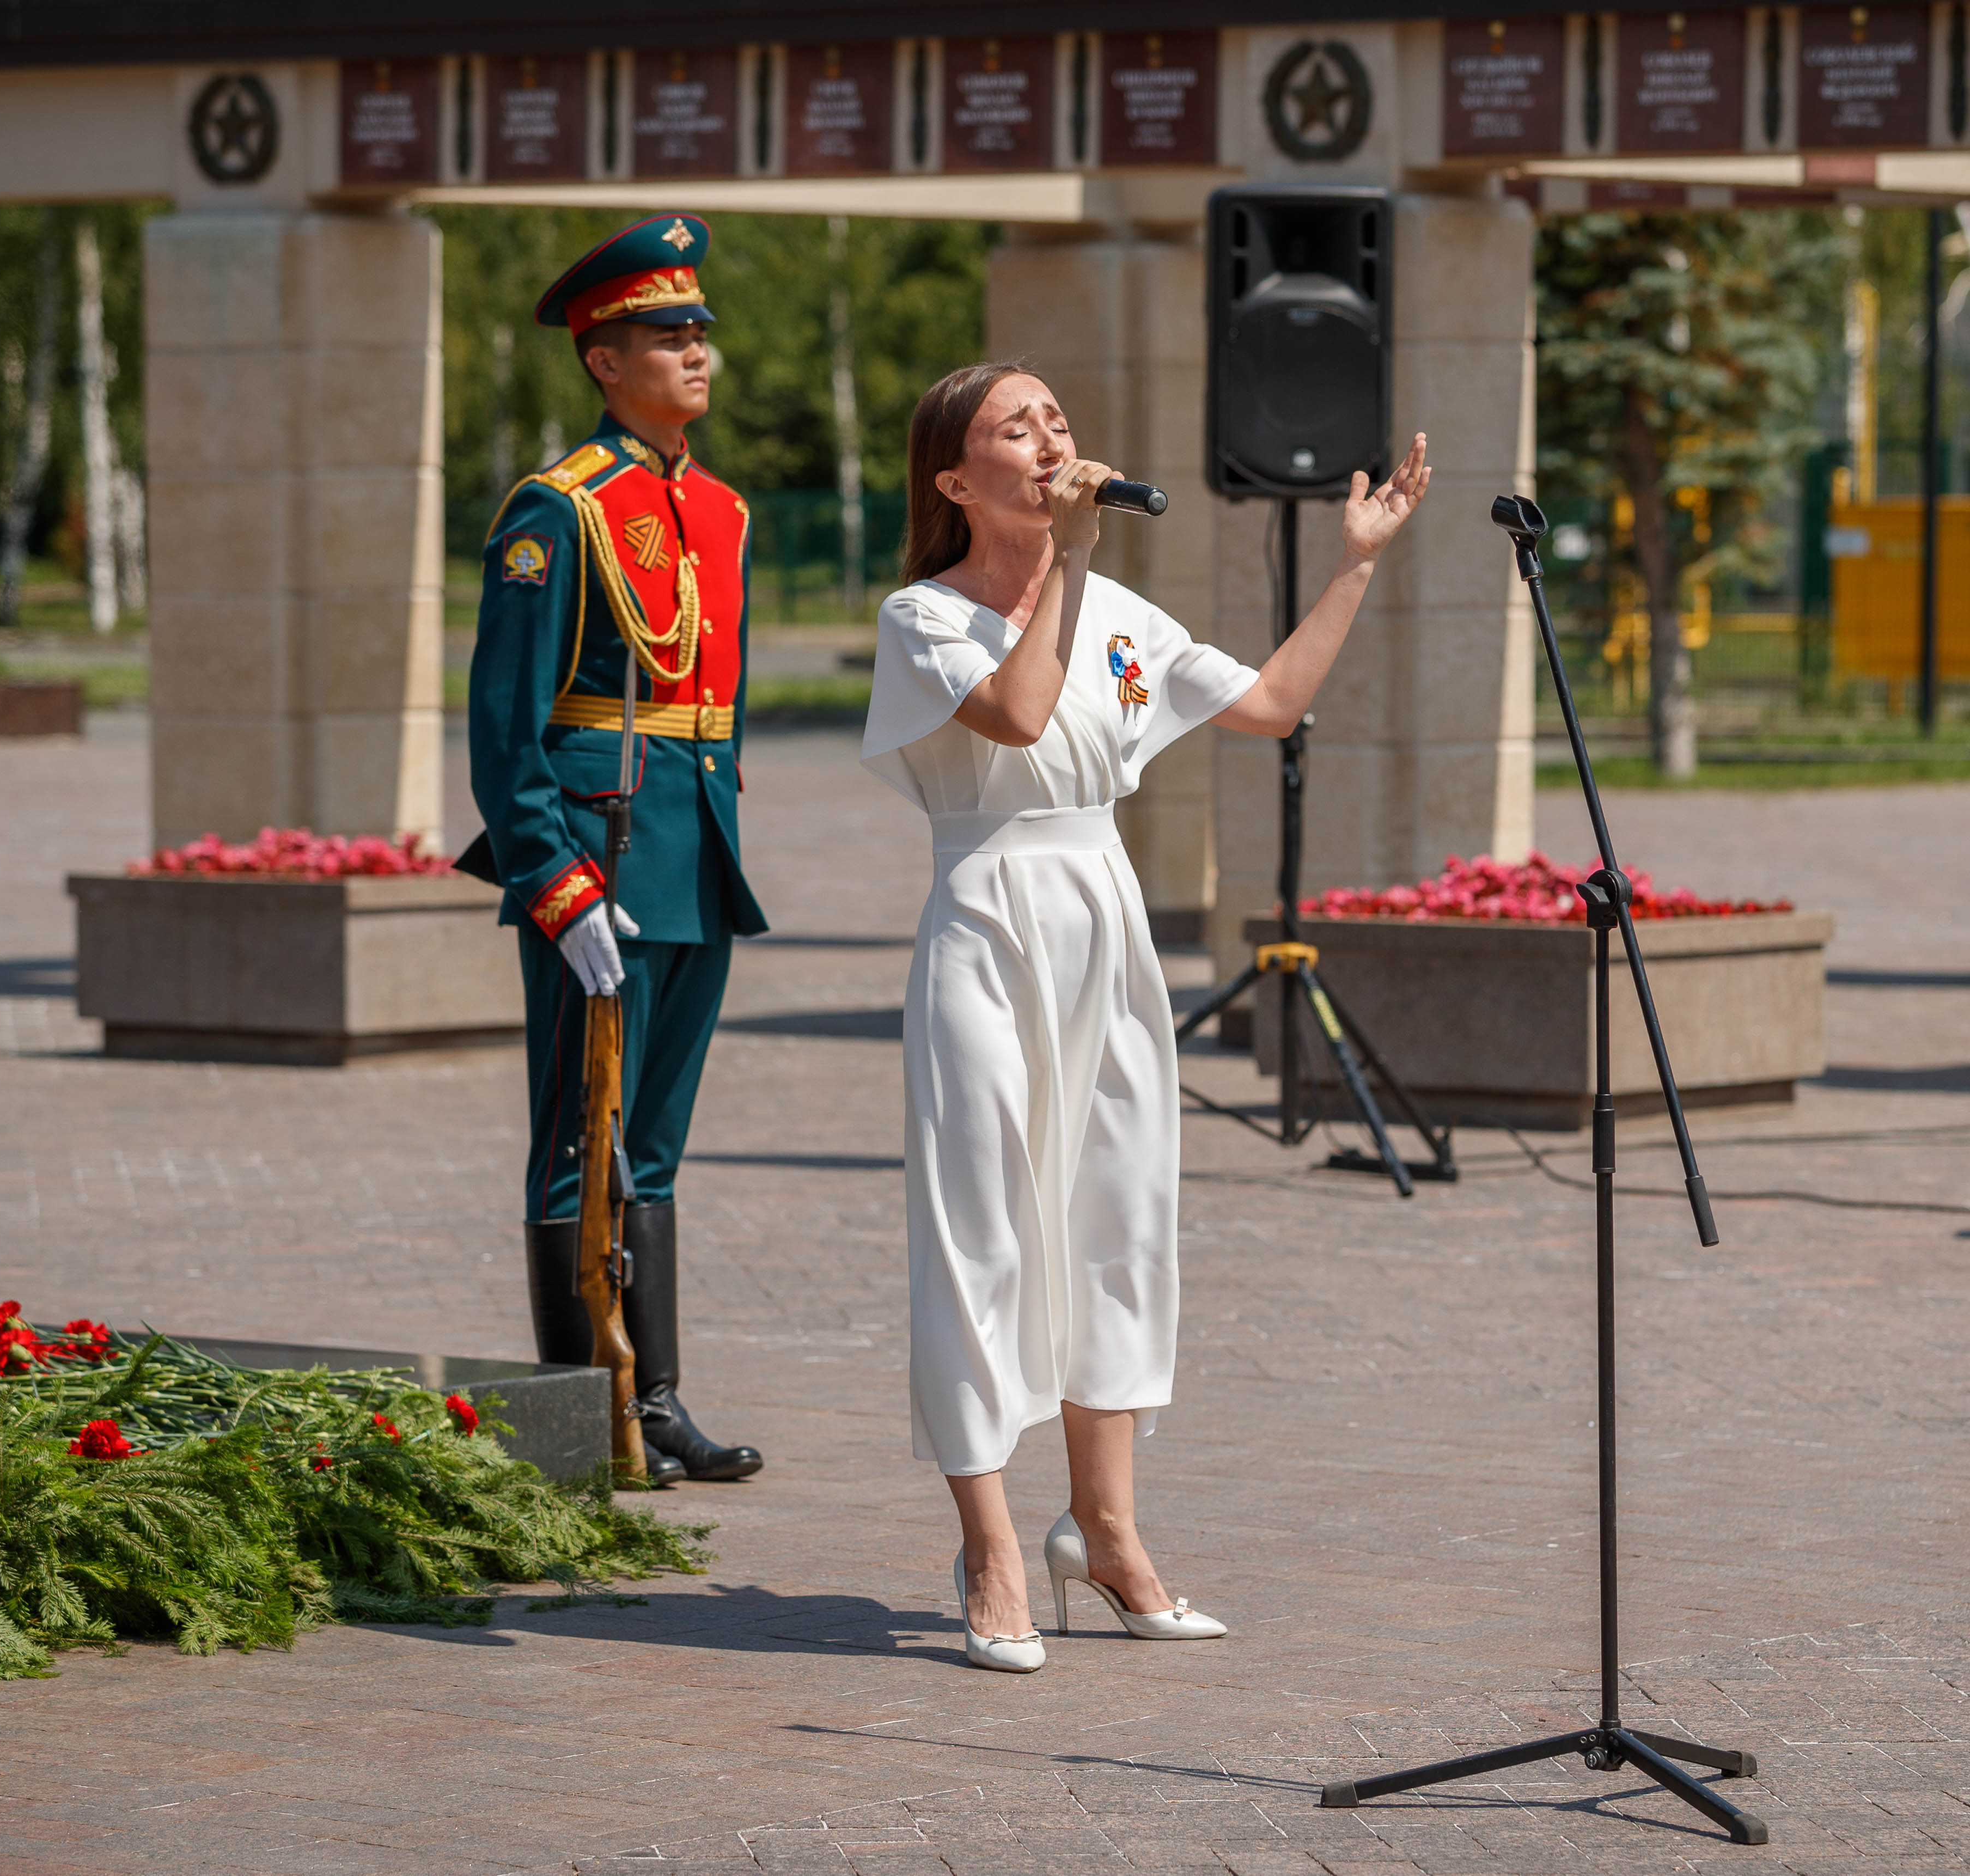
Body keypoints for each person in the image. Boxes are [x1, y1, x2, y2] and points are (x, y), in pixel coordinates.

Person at [861, 363, 1430, 1669]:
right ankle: (993, 1548)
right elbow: (1012, 714)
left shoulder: (1112, 603)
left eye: (1056, 416)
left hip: (1100, 916)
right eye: (1019, 424)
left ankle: (1106, 1534)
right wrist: (1064, 560)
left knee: (1116, 1215)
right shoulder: (921, 614)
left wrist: (1353, 564)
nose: (1053, 436)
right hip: (987, 910)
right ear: (955, 479)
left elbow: (1271, 707)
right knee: (981, 1225)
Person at [458, 213, 767, 1488]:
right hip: (598, 851)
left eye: (699, 330)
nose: (694, 351)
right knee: (577, 1133)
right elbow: (503, 719)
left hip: (690, 847)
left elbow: (721, 704)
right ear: (603, 358)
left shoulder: (722, 508)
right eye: (665, 333)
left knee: (655, 1140)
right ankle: (579, 1412)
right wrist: (553, 879)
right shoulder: (559, 510)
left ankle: (662, 1397)